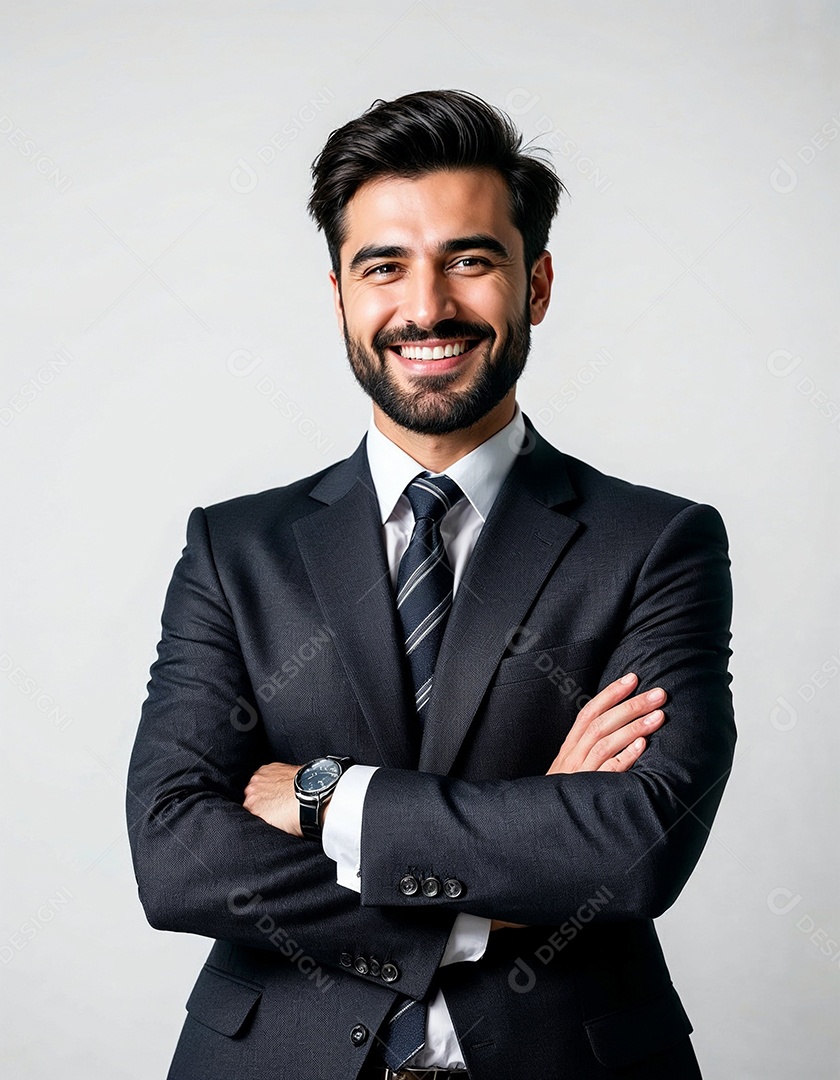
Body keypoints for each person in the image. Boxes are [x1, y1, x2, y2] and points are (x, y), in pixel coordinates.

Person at [127, 89, 736, 1080]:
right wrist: (509, 873)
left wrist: (329, 800)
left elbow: (632, 849)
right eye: (385, 267)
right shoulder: (233, 551)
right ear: (339, 297)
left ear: (537, 283)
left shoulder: (657, 543)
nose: (427, 307)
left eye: (470, 260)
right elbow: (177, 858)